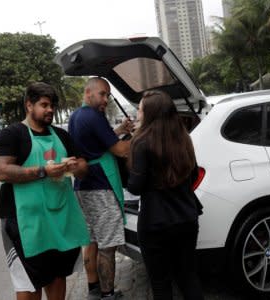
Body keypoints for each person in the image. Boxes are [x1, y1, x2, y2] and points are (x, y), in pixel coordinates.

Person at [0, 82, 90, 300]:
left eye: (52, 105)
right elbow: (2, 171)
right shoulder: (11, 135)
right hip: (23, 222)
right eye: (44, 105)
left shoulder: (61, 136)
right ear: (29, 105)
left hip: (59, 219)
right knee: (29, 281)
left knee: (57, 276)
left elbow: (83, 166)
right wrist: (44, 171)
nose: (50, 110)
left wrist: (77, 167)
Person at [127, 90, 204, 300]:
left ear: (150, 113)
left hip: (154, 223)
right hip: (187, 218)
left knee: (161, 283)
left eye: (140, 110)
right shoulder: (184, 139)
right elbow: (194, 173)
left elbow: (135, 186)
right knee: (188, 277)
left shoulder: (140, 142)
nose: (138, 114)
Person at [68, 77, 133, 300]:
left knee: (92, 240)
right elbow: (121, 150)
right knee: (108, 245)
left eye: (107, 95)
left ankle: (94, 288)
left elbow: (97, 142)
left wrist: (118, 129)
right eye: (102, 94)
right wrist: (143, 134)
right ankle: (108, 294)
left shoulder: (77, 115)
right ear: (88, 93)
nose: (106, 99)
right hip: (100, 188)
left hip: (82, 187)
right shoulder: (94, 116)